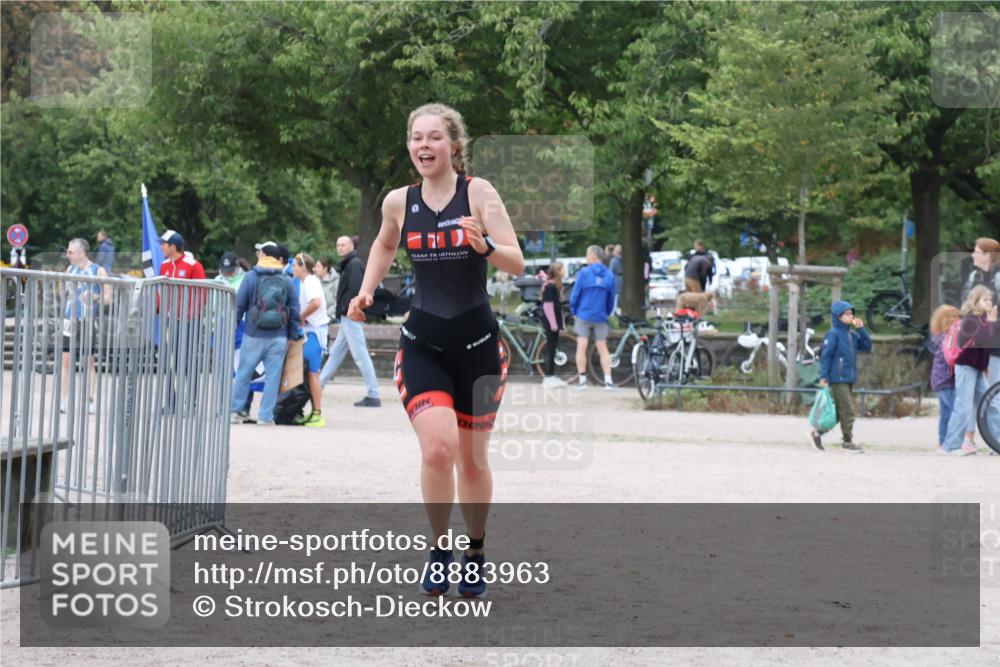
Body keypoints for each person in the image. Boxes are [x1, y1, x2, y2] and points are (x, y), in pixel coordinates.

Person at [347, 103, 524, 598]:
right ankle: (440, 550)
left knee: (471, 461)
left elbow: (516, 261)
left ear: (453, 145)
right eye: (416, 138)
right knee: (438, 447)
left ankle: (475, 552)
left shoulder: (479, 193)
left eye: (434, 138)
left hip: (480, 352)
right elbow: (384, 244)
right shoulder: (398, 202)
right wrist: (365, 290)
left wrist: (485, 244)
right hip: (422, 346)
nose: (423, 146)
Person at [230, 244, 301, 426]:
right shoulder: (286, 279)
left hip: (253, 334)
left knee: (244, 373)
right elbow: (294, 308)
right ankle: (265, 416)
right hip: (279, 336)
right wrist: (294, 334)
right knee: (273, 377)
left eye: (260, 253)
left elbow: (239, 305)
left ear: (265, 256)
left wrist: (232, 328)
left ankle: (236, 412)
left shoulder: (251, 276)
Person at [319, 236, 381, 407]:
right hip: (347, 314)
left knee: (360, 354)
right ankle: (318, 385)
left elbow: (355, 289)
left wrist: (350, 308)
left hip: (350, 315)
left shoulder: (353, 264)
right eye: (338, 244)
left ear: (352, 246)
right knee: (336, 353)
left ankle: (373, 394)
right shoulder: (350, 264)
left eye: (343, 244)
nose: (340, 247)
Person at [941, 286, 998, 455]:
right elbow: (984, 339)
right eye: (985, 299)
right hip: (966, 367)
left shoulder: (982, 320)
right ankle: (950, 446)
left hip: (978, 368)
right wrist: (993, 322)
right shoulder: (969, 320)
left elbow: (989, 344)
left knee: (991, 405)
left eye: (990, 299)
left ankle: (997, 443)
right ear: (975, 301)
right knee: (964, 406)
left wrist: (985, 365)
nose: (989, 302)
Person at [811, 300, 872, 453]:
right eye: (847, 313)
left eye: (851, 313)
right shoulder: (833, 334)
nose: (850, 316)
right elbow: (826, 356)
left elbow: (867, 346)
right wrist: (823, 376)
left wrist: (862, 329)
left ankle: (817, 433)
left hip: (849, 377)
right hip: (837, 378)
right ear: (838, 316)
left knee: (838, 413)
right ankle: (848, 442)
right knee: (848, 410)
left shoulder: (852, 334)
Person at [60, 238, 109, 414]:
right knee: (65, 359)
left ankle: (91, 399)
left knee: (88, 361)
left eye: (71, 251)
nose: (68, 254)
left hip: (87, 320)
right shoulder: (69, 269)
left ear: (83, 253)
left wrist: (95, 298)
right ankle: (63, 400)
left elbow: (107, 298)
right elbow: (63, 294)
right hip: (69, 318)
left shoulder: (98, 270)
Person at [570, 245, 616, 390]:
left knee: (581, 346)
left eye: (587, 254)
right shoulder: (609, 275)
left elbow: (575, 295)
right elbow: (611, 299)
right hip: (600, 316)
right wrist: (606, 313)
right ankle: (608, 381)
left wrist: (574, 310)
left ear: (594, 256)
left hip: (583, 314)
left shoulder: (584, 273)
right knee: (603, 347)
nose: (586, 257)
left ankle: (582, 381)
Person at [292, 252, 329, 427]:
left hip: (315, 332)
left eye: (295, 265)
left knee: (312, 373)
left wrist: (301, 316)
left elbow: (315, 303)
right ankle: (313, 411)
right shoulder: (307, 282)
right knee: (309, 372)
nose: (293, 268)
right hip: (313, 331)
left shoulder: (310, 282)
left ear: (302, 267)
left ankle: (317, 413)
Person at [959, 237, 1000, 384]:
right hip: (975, 347)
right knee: (980, 399)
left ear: (987, 255)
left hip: (994, 346)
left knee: (993, 396)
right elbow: (964, 305)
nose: (972, 255)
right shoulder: (974, 276)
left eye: (977, 252)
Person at [929, 304, 962, 453]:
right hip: (945, 381)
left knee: (945, 414)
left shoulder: (938, 338)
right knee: (955, 411)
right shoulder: (945, 339)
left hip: (940, 380)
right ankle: (950, 442)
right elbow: (951, 359)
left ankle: (943, 442)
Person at [540, 261, 566, 388]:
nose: (565, 271)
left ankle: (551, 375)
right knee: (550, 348)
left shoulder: (555, 286)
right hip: (551, 323)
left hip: (554, 322)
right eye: (563, 269)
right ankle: (548, 377)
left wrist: (561, 323)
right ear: (557, 271)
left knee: (553, 348)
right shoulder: (550, 287)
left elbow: (557, 307)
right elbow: (548, 306)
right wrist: (554, 324)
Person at [314, 257, 340, 323]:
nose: (315, 269)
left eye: (317, 267)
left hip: (331, 317)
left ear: (325, 268)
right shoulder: (314, 281)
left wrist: (326, 314)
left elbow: (338, 302)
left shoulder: (335, 281)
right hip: (318, 317)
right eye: (315, 267)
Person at [609, 244, 623, 309]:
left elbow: (610, 272)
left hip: (615, 280)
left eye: (614, 250)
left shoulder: (613, 260)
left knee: (615, 298)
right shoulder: (625, 260)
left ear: (617, 251)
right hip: (623, 280)